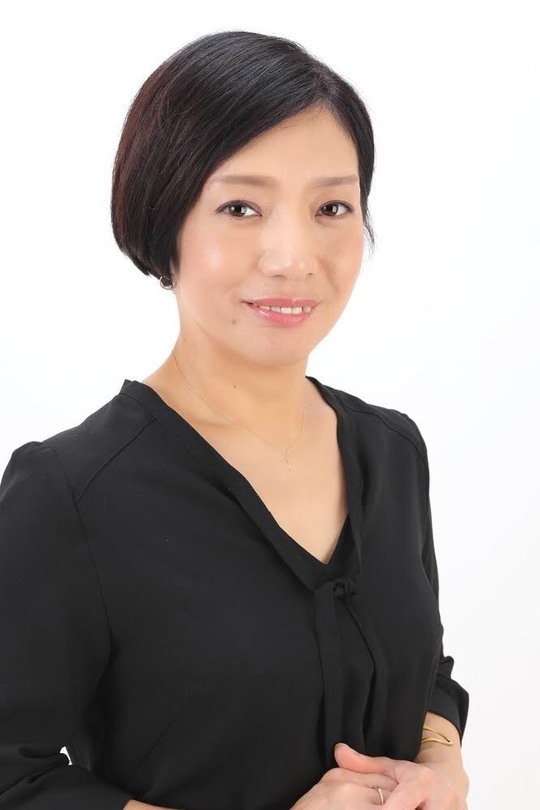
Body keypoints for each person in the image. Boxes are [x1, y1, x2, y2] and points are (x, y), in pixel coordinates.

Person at [0, 30, 470, 810]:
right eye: (241, 207)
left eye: (331, 207)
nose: (293, 256)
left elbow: (427, 673)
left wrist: (440, 764)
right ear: (165, 222)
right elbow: (13, 776)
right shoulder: (70, 493)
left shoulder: (391, 449)